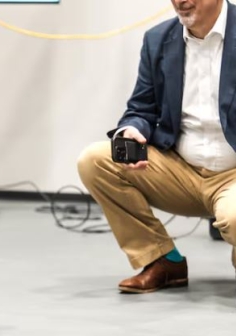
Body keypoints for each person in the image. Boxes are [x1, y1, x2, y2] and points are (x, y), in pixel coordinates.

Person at [78, 0, 236, 293]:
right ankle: (163, 260)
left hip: (233, 176)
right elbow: (141, 107)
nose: (181, 1)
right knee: (95, 160)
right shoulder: (159, 39)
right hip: (181, 171)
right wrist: (131, 130)